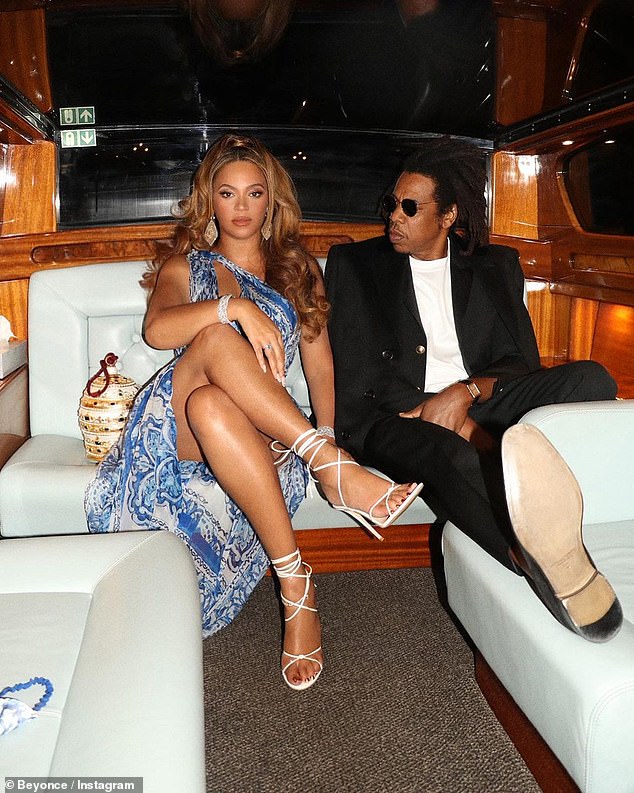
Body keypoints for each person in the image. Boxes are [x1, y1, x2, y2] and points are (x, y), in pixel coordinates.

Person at [85, 132, 422, 692]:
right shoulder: (184, 266)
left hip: (241, 425)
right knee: (216, 340)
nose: (241, 207)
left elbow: (320, 366)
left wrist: (326, 425)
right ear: (208, 201)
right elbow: (157, 329)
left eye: (254, 193)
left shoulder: (297, 271)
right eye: (227, 193)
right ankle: (332, 467)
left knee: (216, 406)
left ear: (272, 201)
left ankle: (295, 585)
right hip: (170, 429)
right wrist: (234, 304)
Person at [325, 136, 622, 643]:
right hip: (393, 419)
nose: (393, 216)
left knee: (592, 377)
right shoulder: (356, 266)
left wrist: (464, 393)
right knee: (447, 451)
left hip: (477, 400)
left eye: (410, 207)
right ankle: (534, 560)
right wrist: (428, 411)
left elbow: (520, 363)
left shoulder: (493, 265)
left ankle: (559, 508)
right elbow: (354, 376)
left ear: (448, 216)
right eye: (391, 204)